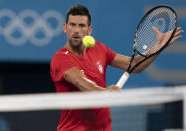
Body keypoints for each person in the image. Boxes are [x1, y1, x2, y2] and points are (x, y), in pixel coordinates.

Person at [50, 5, 183, 131]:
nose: (76, 30)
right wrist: (104, 92)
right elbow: (81, 81)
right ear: (65, 27)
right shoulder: (60, 59)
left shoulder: (99, 48)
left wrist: (158, 47)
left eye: (81, 25)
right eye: (72, 25)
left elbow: (135, 65)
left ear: (89, 30)